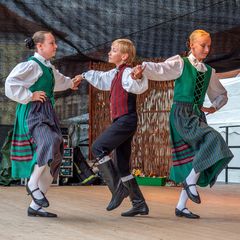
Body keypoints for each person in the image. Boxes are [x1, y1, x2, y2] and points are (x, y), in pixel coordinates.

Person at [133, 29, 234, 219]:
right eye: (203, 45)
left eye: (209, 46)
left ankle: (181, 206)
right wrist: (144, 68)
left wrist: (213, 108)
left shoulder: (209, 71)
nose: (206, 49)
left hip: (196, 115)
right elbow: (161, 69)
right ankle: (189, 182)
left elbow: (221, 94)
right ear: (191, 44)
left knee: (196, 157)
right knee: (214, 139)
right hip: (181, 114)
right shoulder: (181, 63)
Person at [5, 31, 80, 217]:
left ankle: (35, 207)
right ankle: (32, 184)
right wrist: (30, 96)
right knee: (50, 140)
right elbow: (10, 83)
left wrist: (72, 83)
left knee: (55, 156)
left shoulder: (48, 67)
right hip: (33, 112)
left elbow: (59, 81)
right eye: (52, 43)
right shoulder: (31, 65)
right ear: (40, 46)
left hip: (47, 113)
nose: (55, 46)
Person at [75, 39, 149, 217]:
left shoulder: (128, 72)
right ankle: (139, 203)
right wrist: (83, 76)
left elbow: (137, 84)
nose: (109, 52)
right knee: (122, 166)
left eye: (113, 50)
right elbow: (100, 78)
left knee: (98, 147)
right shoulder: (115, 73)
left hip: (126, 120)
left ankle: (118, 189)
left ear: (124, 56)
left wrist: (137, 76)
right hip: (122, 121)